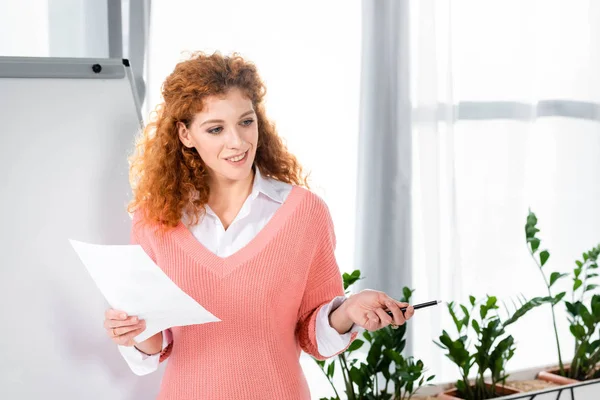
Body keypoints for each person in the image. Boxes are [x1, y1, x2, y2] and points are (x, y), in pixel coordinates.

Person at [103, 51, 415, 399]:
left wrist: (350, 310)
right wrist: (133, 331)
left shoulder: (304, 213)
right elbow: (152, 351)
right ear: (186, 135)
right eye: (216, 129)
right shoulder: (155, 221)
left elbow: (315, 338)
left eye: (246, 122)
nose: (237, 142)